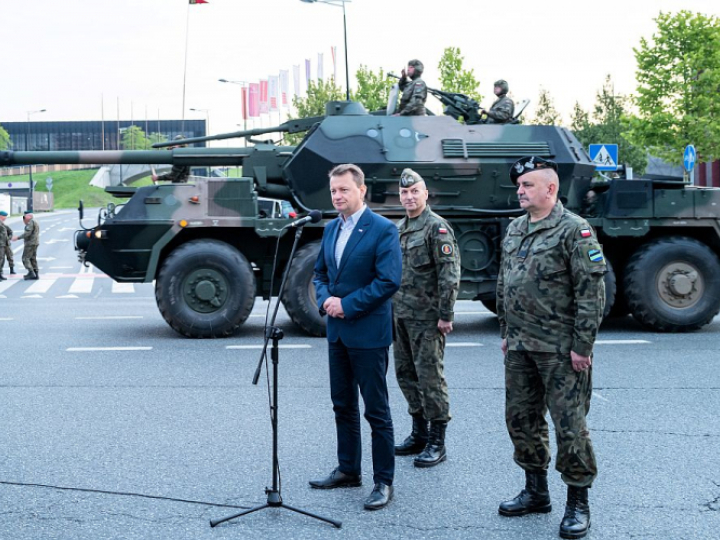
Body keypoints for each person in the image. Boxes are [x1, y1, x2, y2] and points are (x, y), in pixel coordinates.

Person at [496, 156, 606, 539]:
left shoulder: (575, 231)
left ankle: (578, 503)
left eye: (527, 185)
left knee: (570, 427)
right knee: (521, 420)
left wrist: (582, 345)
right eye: (519, 185)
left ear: (550, 189)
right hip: (522, 346)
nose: (520, 191)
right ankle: (536, 491)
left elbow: (591, 293)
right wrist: (506, 330)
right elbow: (505, 281)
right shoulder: (515, 229)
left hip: (560, 350)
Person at [310, 163, 402, 511]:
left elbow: (388, 281)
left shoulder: (382, 230)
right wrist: (324, 300)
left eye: (344, 190)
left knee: (376, 411)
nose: (337, 197)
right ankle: (348, 469)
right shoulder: (331, 229)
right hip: (337, 334)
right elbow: (320, 274)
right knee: (342, 405)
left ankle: (383, 481)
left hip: (368, 333)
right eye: (333, 191)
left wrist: (347, 305)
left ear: (361, 190)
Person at [392, 168, 460, 468]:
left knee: (430, 379)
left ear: (425, 194)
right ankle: (418, 433)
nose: (409, 197)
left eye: (414, 191)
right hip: (401, 316)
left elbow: (449, 274)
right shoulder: (400, 228)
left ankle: (437, 440)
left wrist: (446, 314)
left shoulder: (437, 228)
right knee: (406, 375)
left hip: (428, 318)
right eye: (405, 192)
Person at [12, 211, 41, 280]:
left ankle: (31, 272)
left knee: (25, 258)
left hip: (30, 243)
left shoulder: (31, 222)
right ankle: (35, 273)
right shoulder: (35, 221)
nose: (24, 218)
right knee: (32, 258)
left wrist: (17, 238)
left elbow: (27, 233)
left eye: (25, 216)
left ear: (29, 216)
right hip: (35, 242)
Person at [0, 210, 9, 280]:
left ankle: (0, 274)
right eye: (4, 216)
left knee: (2, 259)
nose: (5, 218)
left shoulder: (2, 223)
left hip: (3, 244)